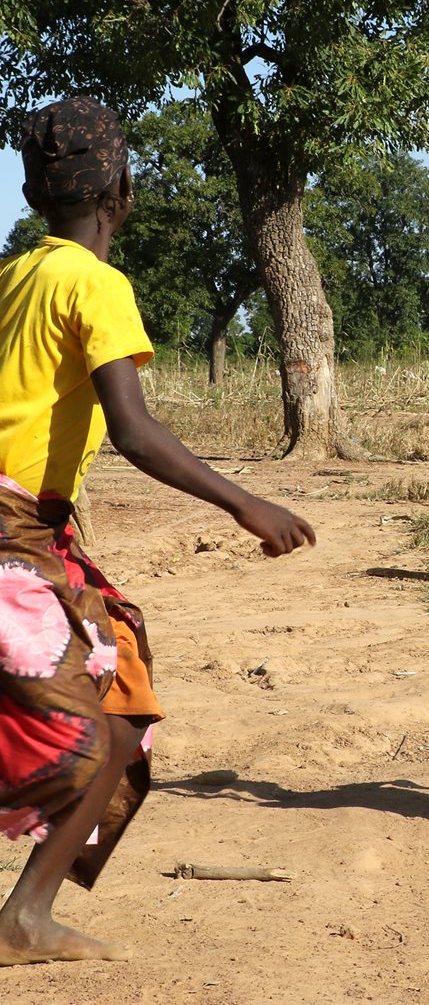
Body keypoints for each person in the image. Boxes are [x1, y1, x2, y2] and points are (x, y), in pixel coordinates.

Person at [0, 96, 316, 966]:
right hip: (13, 529)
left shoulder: (15, 274)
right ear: (123, 190)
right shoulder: (96, 284)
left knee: (123, 690)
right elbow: (133, 429)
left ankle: (28, 913)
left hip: (31, 529)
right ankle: (25, 917)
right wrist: (245, 503)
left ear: (33, 194)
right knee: (105, 719)